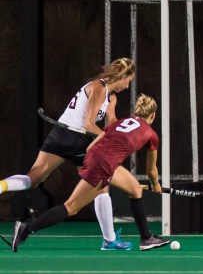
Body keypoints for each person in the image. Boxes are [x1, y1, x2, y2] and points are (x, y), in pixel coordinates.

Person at [0, 58, 136, 250]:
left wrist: (120, 131)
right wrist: (111, 141)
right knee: (100, 186)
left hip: (61, 136)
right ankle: (109, 240)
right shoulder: (98, 87)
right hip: (76, 139)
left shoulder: (111, 97)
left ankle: (2, 185)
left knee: (34, 179)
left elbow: (110, 123)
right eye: (128, 80)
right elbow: (89, 124)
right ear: (121, 76)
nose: (128, 85)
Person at [12, 94, 170, 252]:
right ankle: (26, 229)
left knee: (135, 189)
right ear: (153, 115)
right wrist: (155, 184)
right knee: (71, 207)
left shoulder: (120, 122)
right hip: (104, 165)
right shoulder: (151, 134)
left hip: (95, 157)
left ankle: (146, 238)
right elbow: (151, 170)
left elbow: (91, 148)